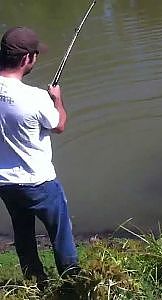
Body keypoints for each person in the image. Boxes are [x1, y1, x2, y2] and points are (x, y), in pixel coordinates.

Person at [0, 26, 79, 286]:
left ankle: (36, 281)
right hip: (39, 182)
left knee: (23, 233)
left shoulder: (31, 98)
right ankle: (71, 280)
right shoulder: (35, 98)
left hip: (5, 183)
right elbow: (59, 125)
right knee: (60, 232)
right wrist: (56, 99)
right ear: (26, 59)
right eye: (35, 54)